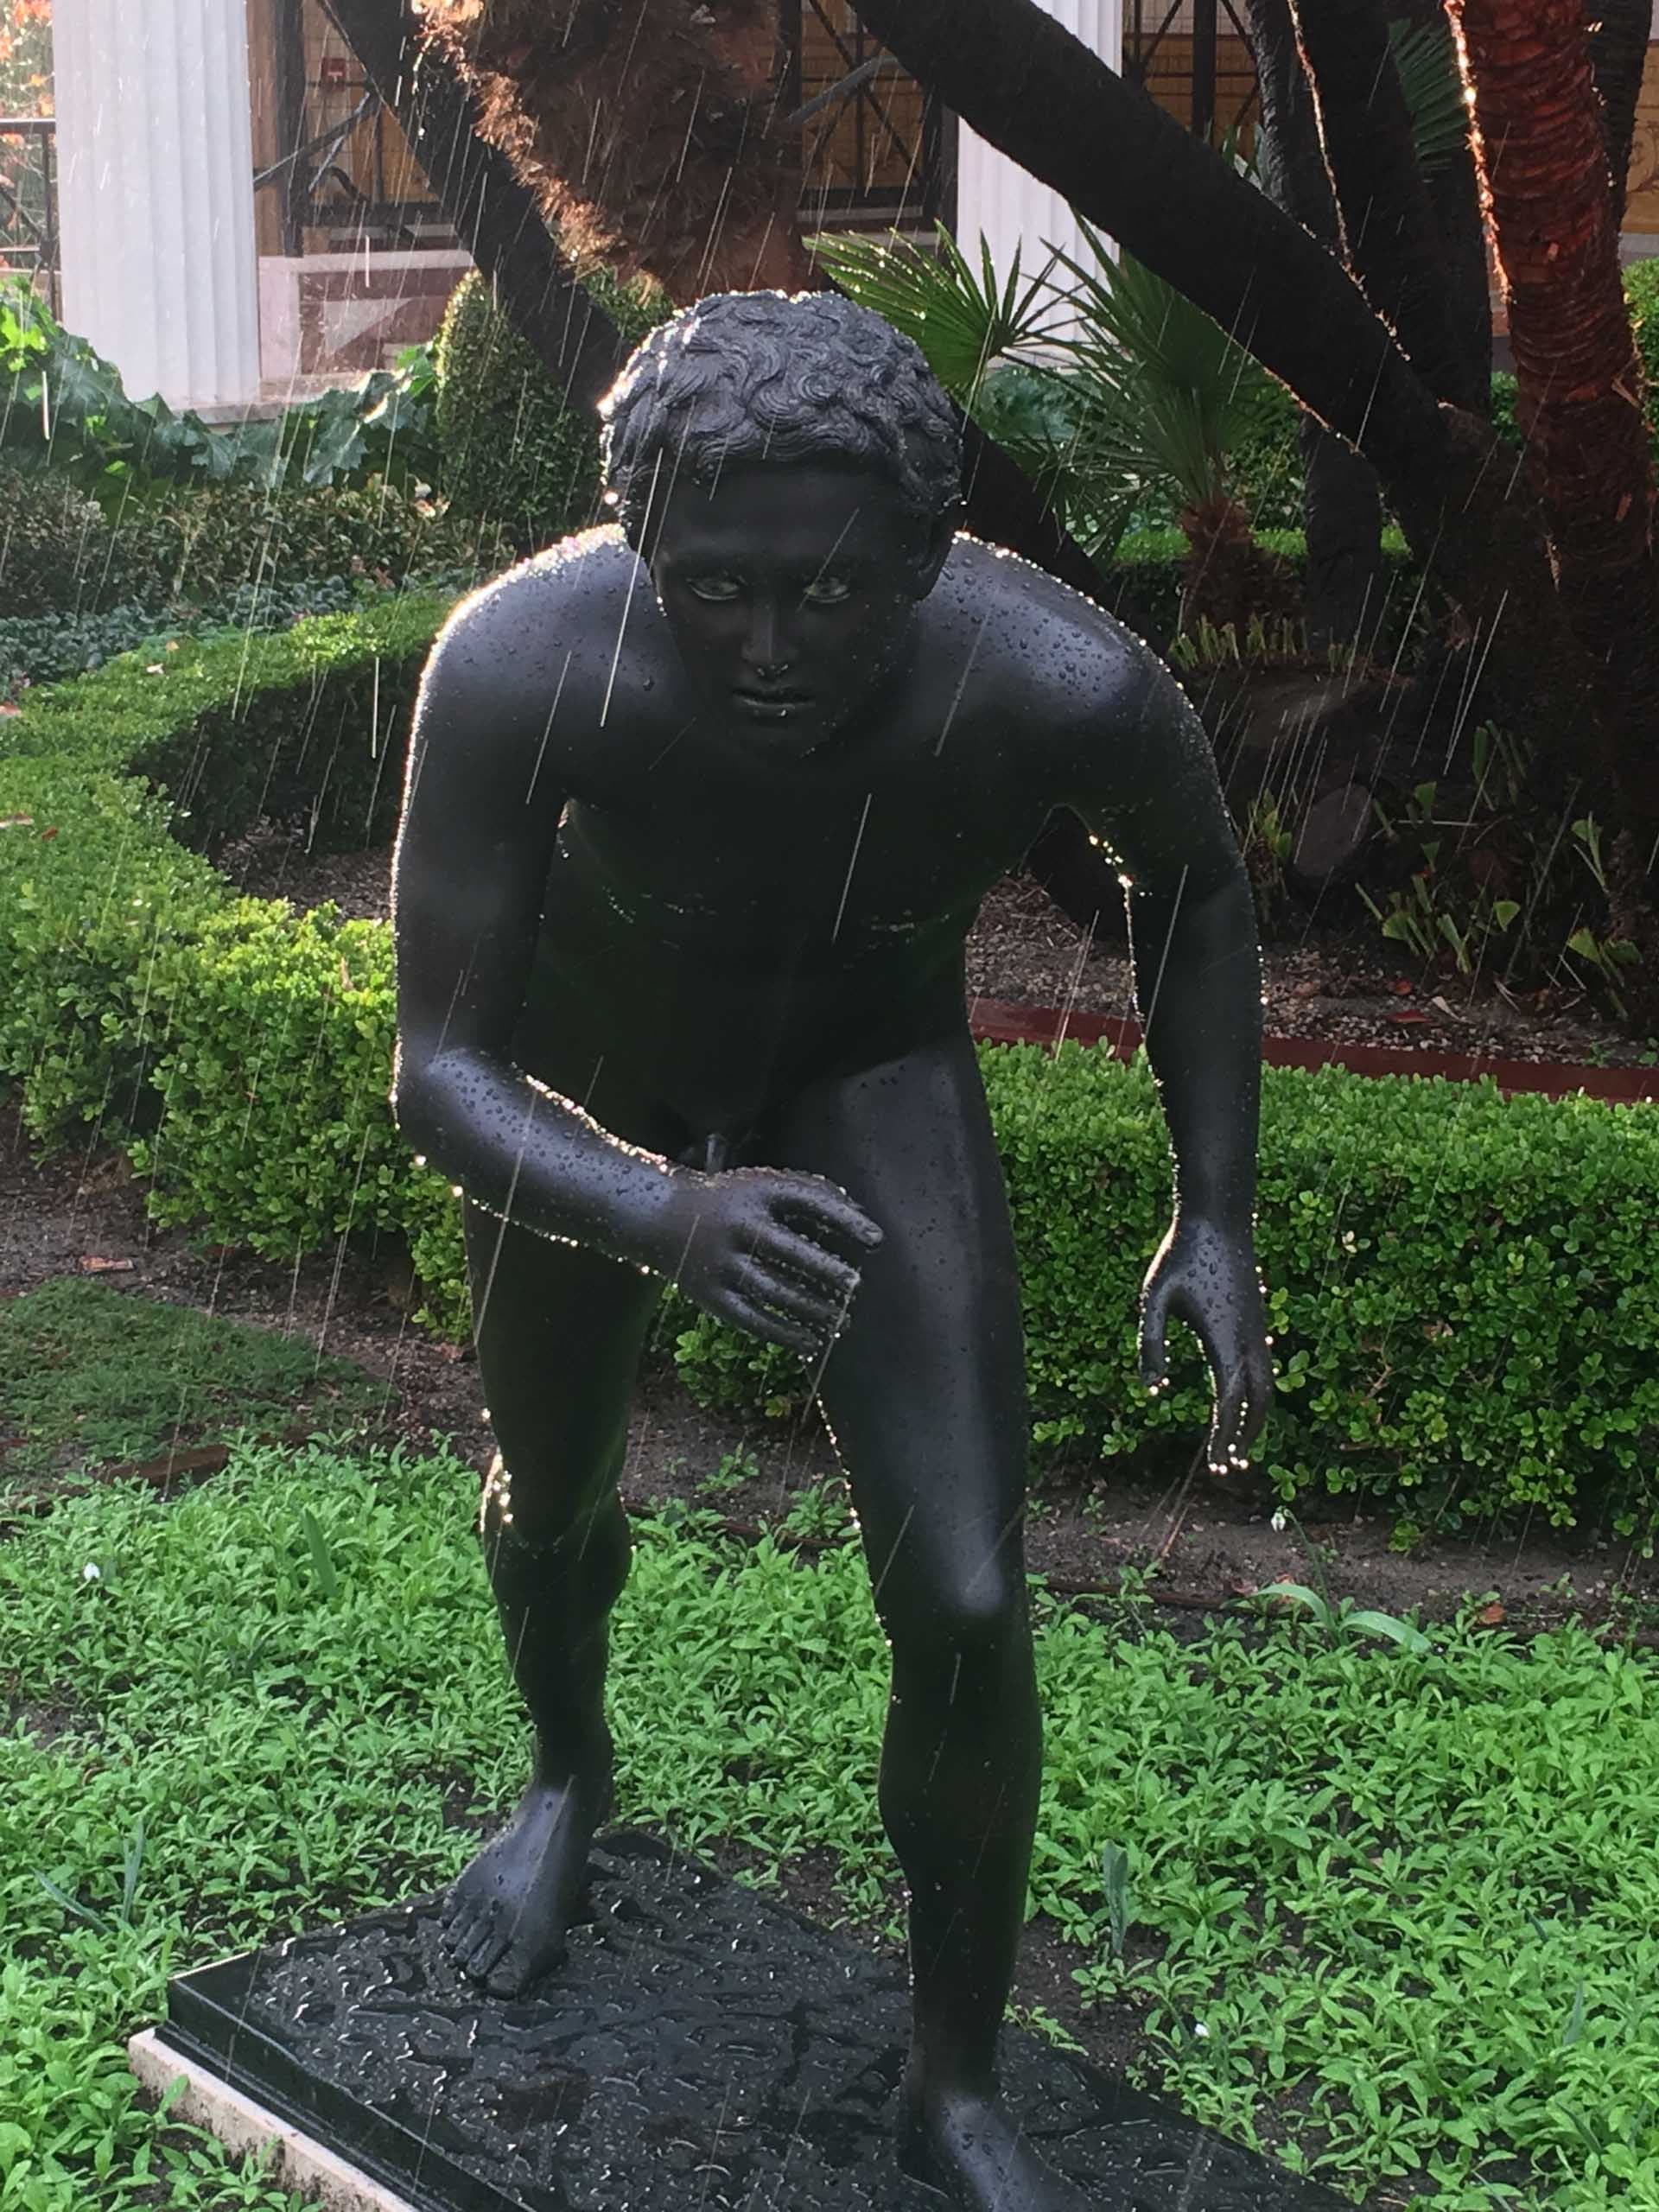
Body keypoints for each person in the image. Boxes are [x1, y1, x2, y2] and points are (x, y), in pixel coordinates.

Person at [390, 289, 1273, 2212]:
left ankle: (954, 2083)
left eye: (834, 592)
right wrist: (660, 1207)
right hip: (585, 1081)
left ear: (928, 554)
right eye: (715, 590)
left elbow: (1199, 894)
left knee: (965, 1594)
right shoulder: (524, 661)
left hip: (872, 1075)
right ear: (643, 541)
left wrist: (1213, 1210)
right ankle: (567, 1770)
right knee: (552, 1489)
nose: (773, 648)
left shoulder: (1060, 677)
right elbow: (440, 1068)